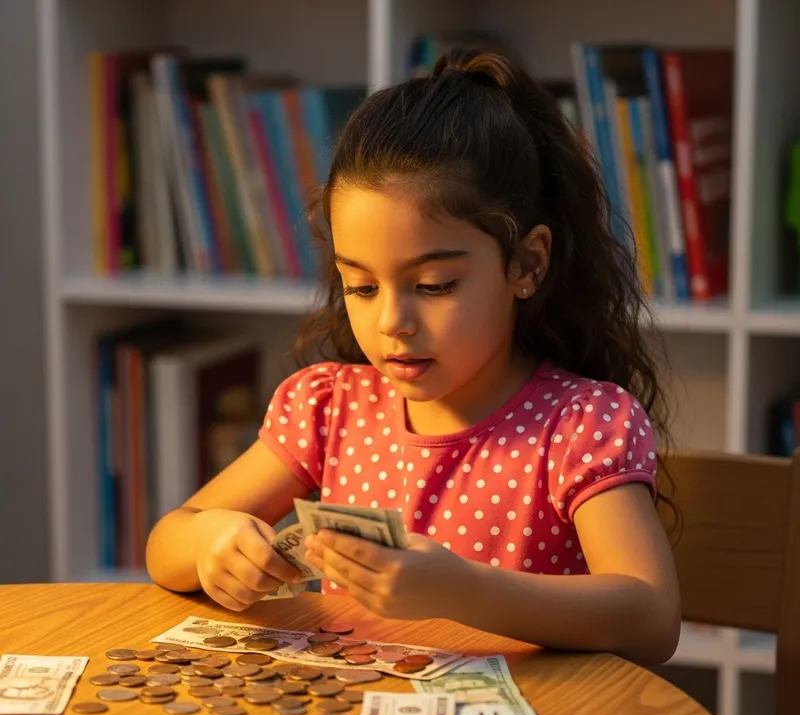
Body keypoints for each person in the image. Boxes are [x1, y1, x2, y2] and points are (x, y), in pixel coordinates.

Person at [146, 48, 681, 666]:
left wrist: (464, 589)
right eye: (362, 287)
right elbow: (167, 543)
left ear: (526, 265)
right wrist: (212, 540)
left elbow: (650, 618)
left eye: (434, 286)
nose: (392, 323)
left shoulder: (581, 426)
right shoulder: (326, 408)